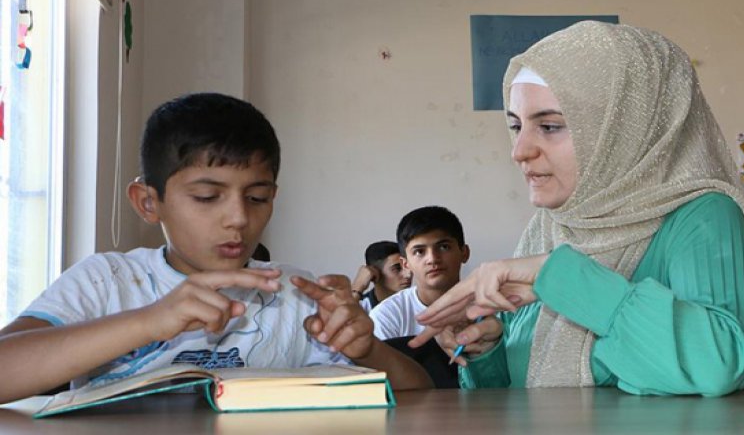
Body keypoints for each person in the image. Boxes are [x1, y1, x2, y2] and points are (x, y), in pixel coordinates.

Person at [411, 21, 744, 396]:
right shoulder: (551, 225)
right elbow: (521, 392)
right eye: (516, 125)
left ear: (625, 127)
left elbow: (717, 366)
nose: (519, 150)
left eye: (551, 126)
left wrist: (554, 274)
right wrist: (488, 349)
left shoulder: (702, 216)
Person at [0, 93, 431, 404]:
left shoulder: (294, 293)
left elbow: (421, 394)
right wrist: (150, 321)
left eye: (257, 197)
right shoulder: (107, 281)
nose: (239, 219)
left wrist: (367, 350)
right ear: (149, 203)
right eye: (207, 197)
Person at [369, 206, 470, 341]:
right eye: (419, 251)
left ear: (464, 253)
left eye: (443, 247)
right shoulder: (387, 316)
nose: (432, 259)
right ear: (405, 264)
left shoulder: (493, 308)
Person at [351, 241, 413, 313]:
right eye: (397, 269)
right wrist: (357, 288)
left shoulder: (419, 302)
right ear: (375, 273)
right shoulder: (361, 306)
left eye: (408, 266)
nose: (408, 274)